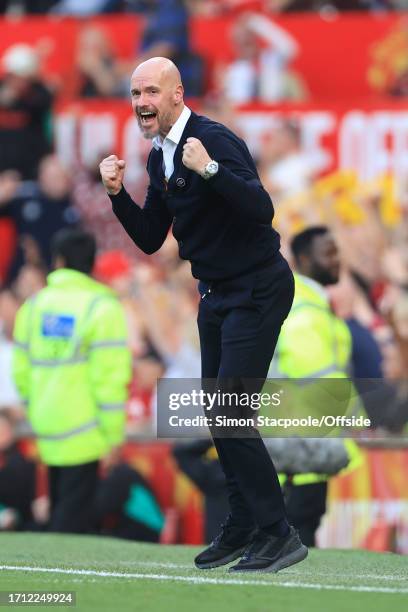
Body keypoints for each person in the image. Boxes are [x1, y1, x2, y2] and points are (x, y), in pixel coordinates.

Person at [99, 56, 307, 573]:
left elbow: (262, 209)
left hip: (257, 287)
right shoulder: (158, 156)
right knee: (219, 417)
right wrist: (116, 195)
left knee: (230, 412)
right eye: (135, 94)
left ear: (177, 94)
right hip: (215, 293)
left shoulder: (212, 140)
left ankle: (278, 534)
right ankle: (241, 524)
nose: (142, 103)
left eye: (151, 91)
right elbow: (151, 238)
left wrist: (209, 169)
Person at [12, 229, 132, 533]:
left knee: (59, 508)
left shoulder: (33, 306)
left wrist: (35, 405)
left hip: (45, 424)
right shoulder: (102, 308)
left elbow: (21, 370)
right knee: (72, 524)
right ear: (92, 264)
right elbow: (110, 379)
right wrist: (113, 435)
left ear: (59, 261)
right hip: (87, 430)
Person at [268, 226, 362, 546]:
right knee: (297, 539)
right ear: (305, 259)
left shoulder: (310, 303)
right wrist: (356, 416)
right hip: (298, 453)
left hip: (301, 449)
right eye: (329, 253)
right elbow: (318, 375)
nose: (337, 260)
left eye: (337, 251)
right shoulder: (304, 308)